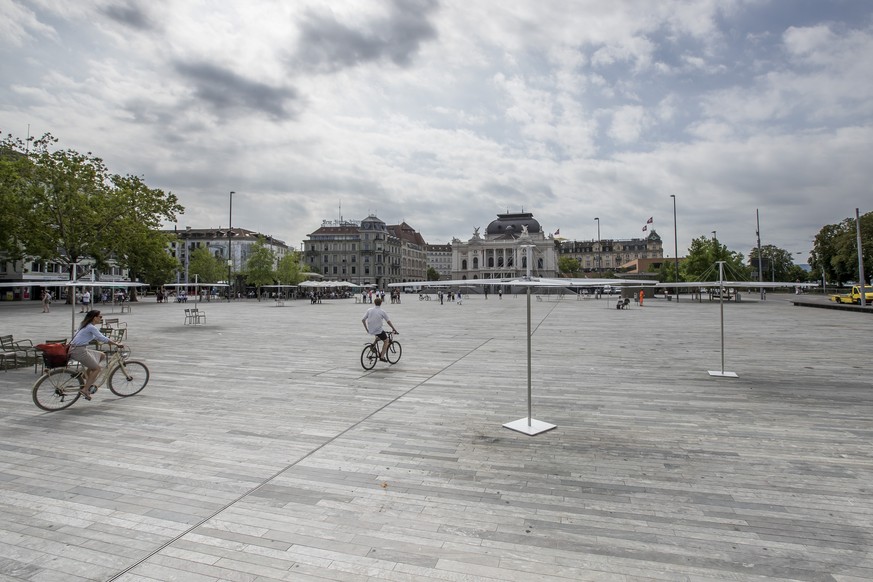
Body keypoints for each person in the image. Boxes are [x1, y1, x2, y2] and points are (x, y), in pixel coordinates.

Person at [67, 310, 123, 400]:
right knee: (97, 369)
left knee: (101, 355)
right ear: (94, 318)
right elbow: (101, 337)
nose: (101, 318)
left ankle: (86, 375)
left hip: (75, 349)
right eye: (100, 317)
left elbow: (97, 337)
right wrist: (116, 344)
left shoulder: (84, 325)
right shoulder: (91, 327)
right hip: (79, 351)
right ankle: (85, 390)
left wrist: (109, 342)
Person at [361, 297, 398, 362]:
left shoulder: (369, 310)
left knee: (378, 337)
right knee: (386, 341)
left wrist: (366, 329)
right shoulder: (382, 311)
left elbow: (363, 320)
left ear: (374, 303)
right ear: (381, 303)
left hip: (371, 330)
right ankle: (382, 356)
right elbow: (388, 321)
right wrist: (394, 329)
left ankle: (373, 346)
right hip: (378, 330)